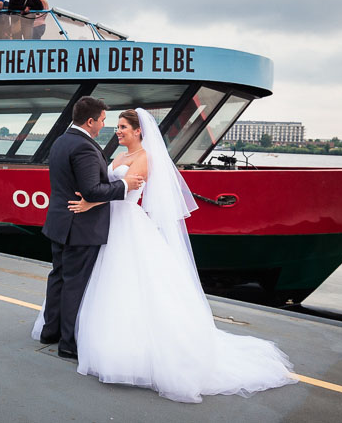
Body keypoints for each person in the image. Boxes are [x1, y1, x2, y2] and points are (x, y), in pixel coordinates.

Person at [40, 108, 297, 403]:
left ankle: (89, 339)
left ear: (139, 131)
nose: (117, 130)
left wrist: (91, 201)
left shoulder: (145, 158)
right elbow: (107, 187)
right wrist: (92, 201)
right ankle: (78, 336)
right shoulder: (118, 157)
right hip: (104, 222)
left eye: (123, 126)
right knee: (93, 282)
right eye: (115, 125)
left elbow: (127, 190)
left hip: (125, 224)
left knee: (118, 282)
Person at [37, 96, 141, 360]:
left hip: (59, 222)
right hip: (80, 226)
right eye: (103, 120)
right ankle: (69, 344)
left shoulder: (61, 141)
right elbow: (91, 190)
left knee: (58, 277)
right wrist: (126, 185)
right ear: (91, 120)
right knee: (74, 284)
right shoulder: (83, 147)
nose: (105, 125)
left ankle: (50, 332)